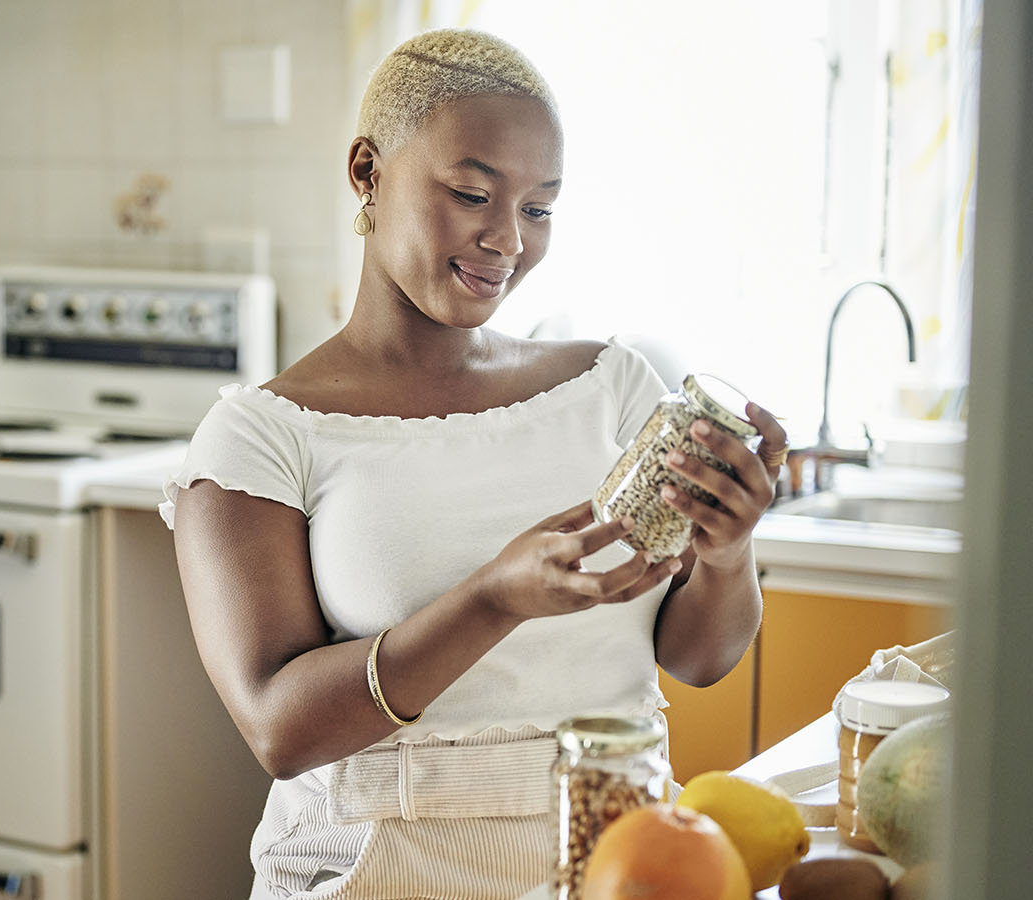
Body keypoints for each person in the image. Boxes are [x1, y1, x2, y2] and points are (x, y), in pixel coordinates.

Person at [159, 28, 788, 900]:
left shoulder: (610, 386)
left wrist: (726, 551)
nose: (506, 241)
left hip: (616, 859)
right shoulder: (262, 438)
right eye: (469, 193)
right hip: (372, 871)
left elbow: (700, 657)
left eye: (539, 209)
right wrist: (494, 599)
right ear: (366, 172)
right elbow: (279, 729)